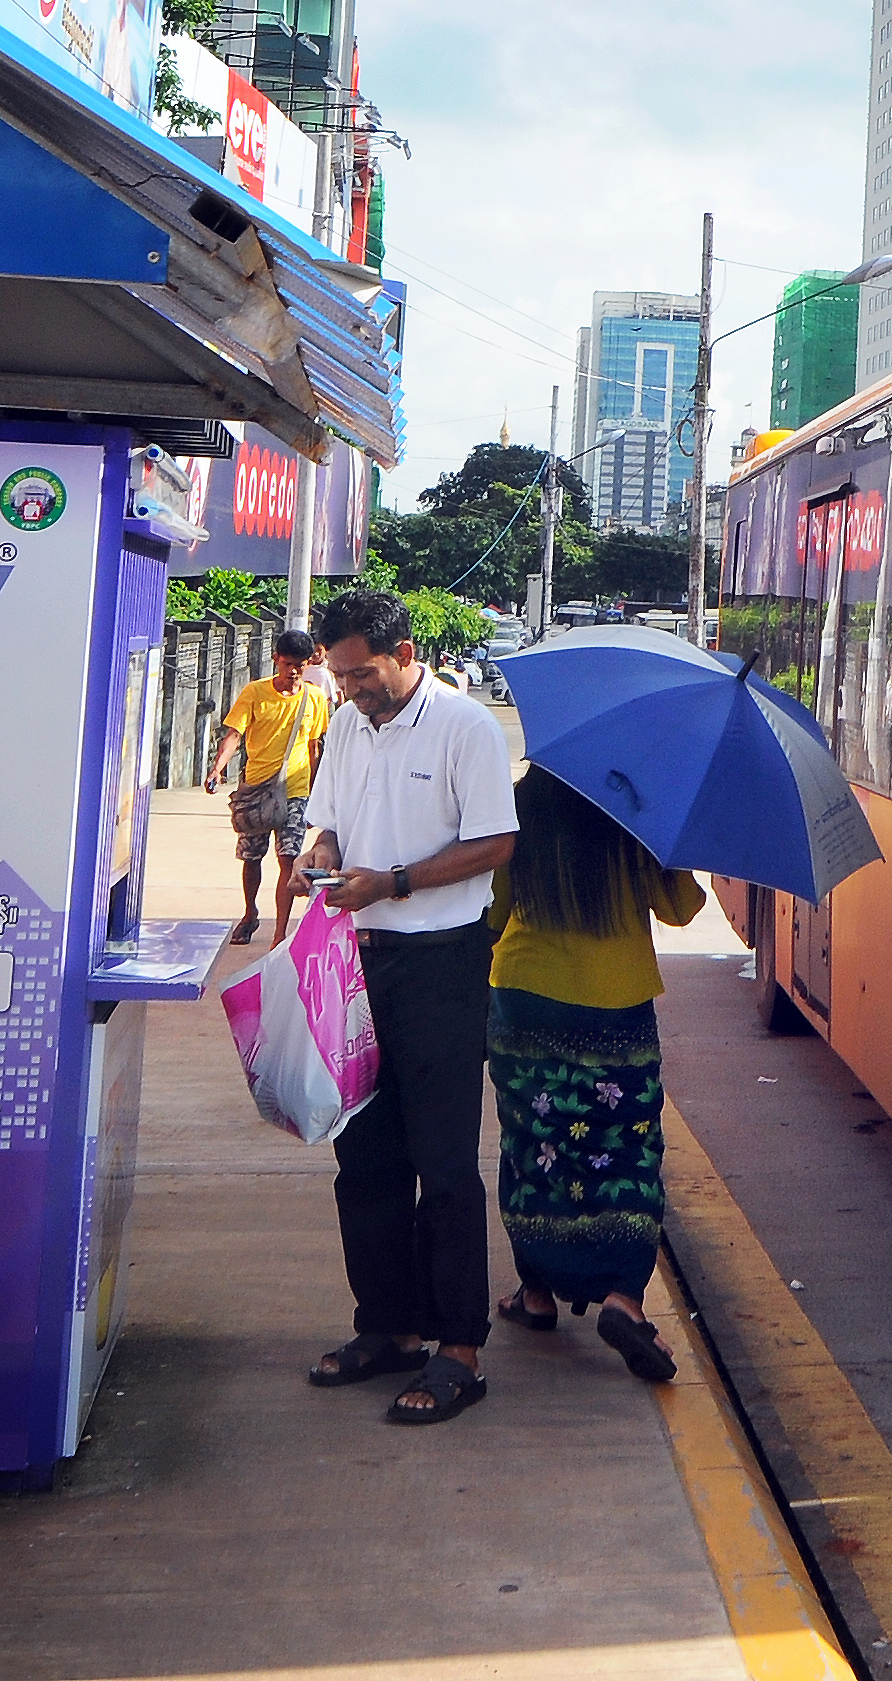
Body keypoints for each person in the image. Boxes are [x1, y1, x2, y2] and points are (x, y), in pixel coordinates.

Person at [295, 591, 518, 1428]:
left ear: (404, 649)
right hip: (359, 964)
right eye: (340, 675)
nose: (351, 689)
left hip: (441, 969)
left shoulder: (467, 728)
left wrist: (391, 882)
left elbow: (496, 841)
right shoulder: (348, 724)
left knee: (446, 1166)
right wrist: (317, 856)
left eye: (363, 672)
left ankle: (458, 1349)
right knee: (365, 1161)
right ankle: (386, 1328)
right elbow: (326, 821)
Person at [485, 767, 709, 1381]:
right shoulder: (634, 806)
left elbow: (492, 912)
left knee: (534, 1146)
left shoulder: (520, 802)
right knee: (627, 1152)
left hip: (526, 998)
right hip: (616, 1002)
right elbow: (682, 908)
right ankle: (624, 1299)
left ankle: (535, 1295)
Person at [208, 630, 328, 946]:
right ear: (276, 659)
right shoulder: (255, 693)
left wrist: (317, 796)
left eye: (300, 666)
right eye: (287, 664)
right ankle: (249, 914)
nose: (293, 672)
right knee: (251, 858)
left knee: (289, 860)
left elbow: (314, 747)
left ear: (310, 662)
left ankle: (279, 934)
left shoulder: (314, 699)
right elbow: (234, 734)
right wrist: (218, 769)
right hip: (257, 791)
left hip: (296, 791)